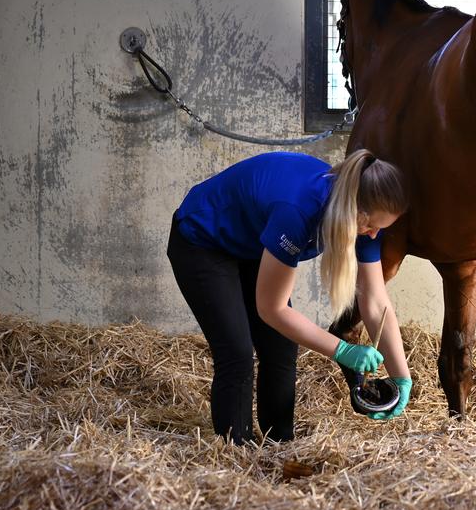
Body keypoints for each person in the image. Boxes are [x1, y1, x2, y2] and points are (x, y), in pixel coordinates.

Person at [166, 148, 411, 445]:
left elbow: (375, 300)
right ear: (354, 210)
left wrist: (402, 376)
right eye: (371, 226)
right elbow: (272, 309)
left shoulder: (364, 220)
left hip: (251, 244)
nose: (373, 235)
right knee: (237, 353)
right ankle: (235, 453)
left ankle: (279, 444)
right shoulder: (298, 210)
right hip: (202, 242)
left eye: (381, 229)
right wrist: (342, 350)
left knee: (281, 348)